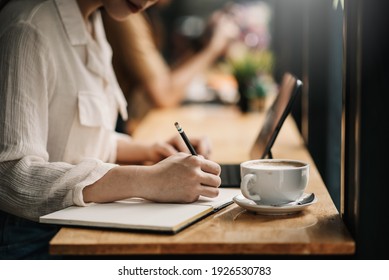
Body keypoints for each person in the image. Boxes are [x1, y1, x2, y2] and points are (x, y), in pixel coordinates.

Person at [0, 0, 221, 259]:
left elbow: (75, 140)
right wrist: (149, 181)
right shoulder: (28, 28)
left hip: (75, 222)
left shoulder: (93, 19)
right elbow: (9, 174)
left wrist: (152, 150)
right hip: (30, 240)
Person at [101, 0, 239, 133]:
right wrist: (213, 48)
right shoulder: (125, 16)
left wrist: (202, 44)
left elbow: (165, 77)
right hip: (123, 128)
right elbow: (165, 95)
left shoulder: (146, 14)